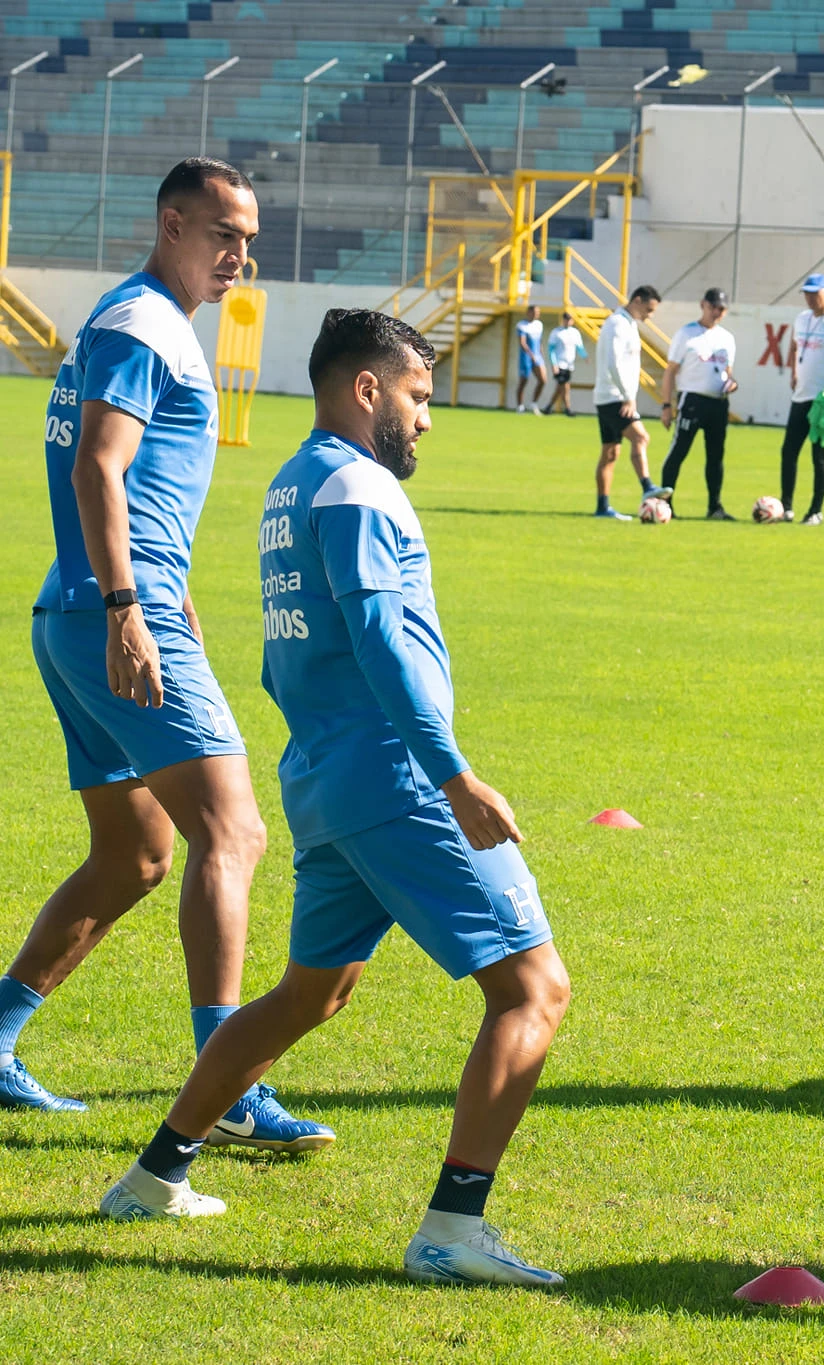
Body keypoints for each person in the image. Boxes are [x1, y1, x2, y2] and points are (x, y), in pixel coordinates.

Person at [100, 309, 572, 1290]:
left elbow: (288, 656)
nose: (427, 420)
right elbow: (381, 644)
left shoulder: (292, 482)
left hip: (324, 779)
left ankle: (153, 1177)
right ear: (367, 389)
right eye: (418, 396)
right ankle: (452, 1226)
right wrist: (452, 777)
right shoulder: (359, 488)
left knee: (311, 994)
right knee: (533, 991)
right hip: (396, 783)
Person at [4, 157, 330, 1152]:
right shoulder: (146, 324)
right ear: (172, 224)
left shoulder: (130, 320)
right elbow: (98, 463)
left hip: (77, 613)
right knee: (233, 836)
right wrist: (127, 608)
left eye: (249, 240)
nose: (240, 256)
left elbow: (117, 478)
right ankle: (226, 1084)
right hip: (106, 617)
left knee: (136, 853)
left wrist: (148, 588)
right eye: (224, 234)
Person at [659, 287, 739, 520]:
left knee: (716, 456)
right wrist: (667, 405)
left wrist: (732, 384)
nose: (717, 312)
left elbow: (728, 372)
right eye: (713, 307)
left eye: (722, 309)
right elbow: (670, 370)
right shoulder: (687, 334)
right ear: (703, 304)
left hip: (718, 403)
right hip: (692, 400)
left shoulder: (727, 338)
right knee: (679, 451)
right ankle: (665, 504)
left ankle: (715, 506)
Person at [782, 272, 824, 525]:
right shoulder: (801, 319)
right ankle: (786, 507)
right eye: (807, 293)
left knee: (819, 456)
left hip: (822, 401)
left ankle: (815, 511)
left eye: (815, 293)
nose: (810, 298)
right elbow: (794, 347)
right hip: (800, 397)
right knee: (788, 452)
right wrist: (793, 373)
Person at [593, 284, 662, 521]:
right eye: (649, 310)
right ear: (637, 300)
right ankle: (648, 487)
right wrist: (627, 396)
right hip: (614, 397)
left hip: (613, 397)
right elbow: (613, 364)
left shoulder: (629, 324)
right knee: (641, 437)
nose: (649, 316)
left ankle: (603, 508)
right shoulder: (617, 324)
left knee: (610, 453)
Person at [543, 312, 583, 417]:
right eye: (566, 319)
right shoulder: (556, 332)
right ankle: (568, 409)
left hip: (569, 365)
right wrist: (554, 364)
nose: (567, 321)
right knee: (565, 387)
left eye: (569, 319)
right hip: (559, 364)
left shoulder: (575, 333)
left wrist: (585, 356)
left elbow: (579, 347)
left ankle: (548, 407)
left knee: (561, 387)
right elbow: (551, 349)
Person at [510, 304, 545, 414]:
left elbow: (539, 341)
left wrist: (541, 353)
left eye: (538, 312)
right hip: (526, 357)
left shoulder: (539, 324)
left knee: (543, 380)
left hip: (537, 356)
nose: (537, 314)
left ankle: (534, 403)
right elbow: (522, 343)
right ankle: (520, 406)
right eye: (534, 312)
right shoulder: (522, 325)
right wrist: (531, 355)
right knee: (524, 381)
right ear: (528, 312)